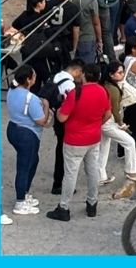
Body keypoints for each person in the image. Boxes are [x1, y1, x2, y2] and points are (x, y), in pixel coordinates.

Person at [46, 63, 111, 222]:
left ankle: (64, 207)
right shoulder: (103, 91)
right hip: (93, 138)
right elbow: (108, 114)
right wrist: (96, 124)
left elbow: (62, 117)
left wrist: (59, 110)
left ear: (84, 75)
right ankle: (92, 204)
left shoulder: (76, 93)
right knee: (92, 170)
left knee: (70, 174)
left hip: (74, 140)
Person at [6, 65, 51, 216]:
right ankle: (20, 202)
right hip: (27, 134)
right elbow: (41, 121)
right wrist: (46, 106)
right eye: (34, 76)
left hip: (13, 128)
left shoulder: (12, 90)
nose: (36, 78)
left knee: (33, 161)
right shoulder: (31, 99)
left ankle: (24, 194)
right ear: (28, 79)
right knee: (24, 167)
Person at [97, 63, 136, 185]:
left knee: (103, 148)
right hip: (108, 122)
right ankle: (131, 172)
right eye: (119, 73)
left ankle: (100, 176)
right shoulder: (114, 90)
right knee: (130, 142)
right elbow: (115, 111)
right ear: (111, 75)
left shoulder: (105, 85)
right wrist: (121, 124)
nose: (122, 75)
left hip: (102, 121)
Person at [49, 60, 83, 195]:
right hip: (64, 120)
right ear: (77, 71)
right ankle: (59, 184)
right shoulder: (69, 84)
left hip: (56, 117)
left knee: (60, 149)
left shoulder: (57, 76)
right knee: (65, 153)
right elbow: (71, 104)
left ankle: (58, 181)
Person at [70, 0, 103, 65]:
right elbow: (96, 23)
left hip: (71, 38)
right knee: (87, 67)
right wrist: (99, 40)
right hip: (87, 38)